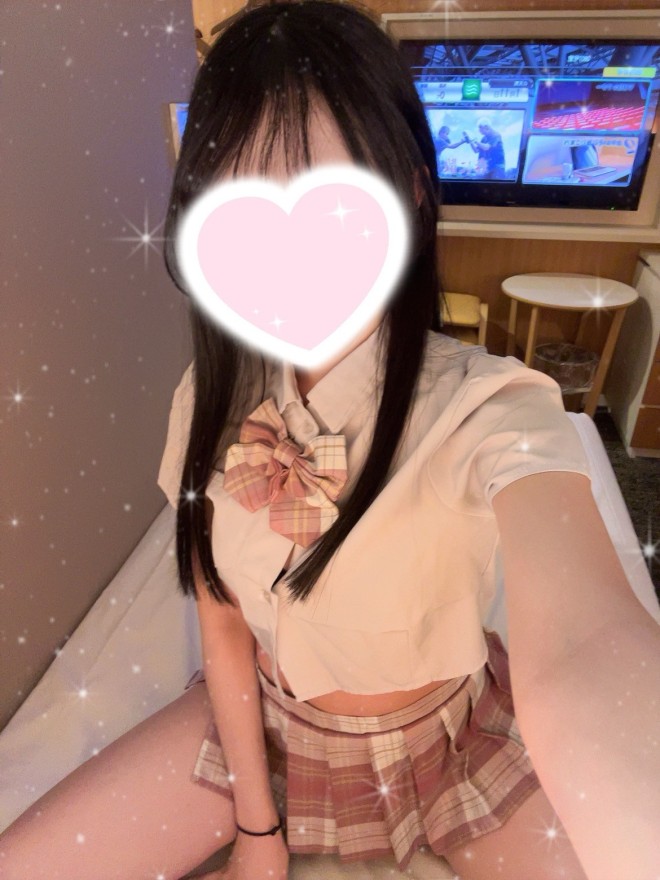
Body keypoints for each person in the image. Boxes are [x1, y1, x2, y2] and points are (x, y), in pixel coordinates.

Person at [1, 2, 658, 879]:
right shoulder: (209, 400)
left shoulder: (494, 408)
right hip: (266, 730)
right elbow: (224, 627)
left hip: (448, 745)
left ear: (411, 191)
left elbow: (585, 648)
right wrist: (257, 829)